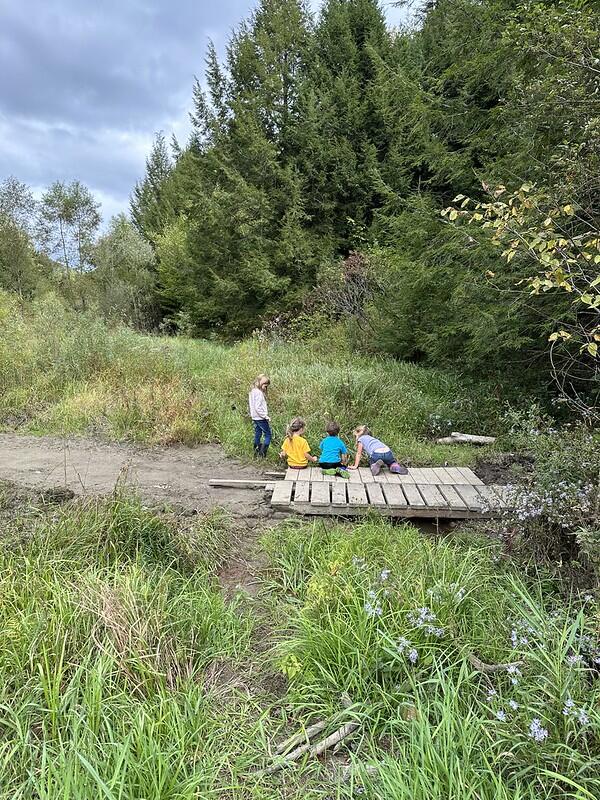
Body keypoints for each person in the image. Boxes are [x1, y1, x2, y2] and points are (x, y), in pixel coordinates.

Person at [249, 374, 271, 458]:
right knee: (268, 434)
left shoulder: (252, 391)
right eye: (265, 386)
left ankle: (256, 451)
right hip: (260, 418)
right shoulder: (259, 393)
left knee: (258, 434)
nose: (266, 388)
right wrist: (265, 416)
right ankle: (263, 453)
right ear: (261, 384)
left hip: (254, 417)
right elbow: (258, 407)